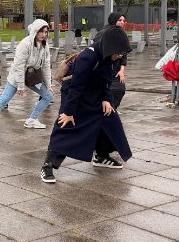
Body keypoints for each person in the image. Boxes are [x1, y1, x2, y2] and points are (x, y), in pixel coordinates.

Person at [41, 27, 134, 182]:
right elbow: (76, 87)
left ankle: (101, 155)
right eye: (118, 53)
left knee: (110, 119)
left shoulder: (111, 58)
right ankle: (48, 165)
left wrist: (106, 99)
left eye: (122, 53)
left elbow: (106, 81)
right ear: (110, 47)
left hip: (94, 94)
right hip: (75, 95)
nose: (120, 56)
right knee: (67, 125)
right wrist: (68, 112)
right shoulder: (88, 57)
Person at [0, 19, 53, 135]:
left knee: (48, 95)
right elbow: (19, 66)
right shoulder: (25, 44)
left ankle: (32, 120)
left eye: (46, 32)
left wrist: (49, 85)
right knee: (4, 100)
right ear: (35, 31)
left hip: (32, 76)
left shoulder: (45, 46)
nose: (44, 34)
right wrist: (20, 86)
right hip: (17, 76)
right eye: (41, 31)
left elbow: (46, 66)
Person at [93, 12, 128, 109]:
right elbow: (96, 49)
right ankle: (105, 110)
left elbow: (124, 54)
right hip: (103, 67)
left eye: (123, 21)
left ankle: (112, 109)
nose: (122, 22)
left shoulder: (121, 33)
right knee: (106, 91)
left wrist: (122, 70)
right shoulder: (103, 33)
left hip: (116, 69)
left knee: (120, 89)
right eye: (119, 20)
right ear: (113, 20)